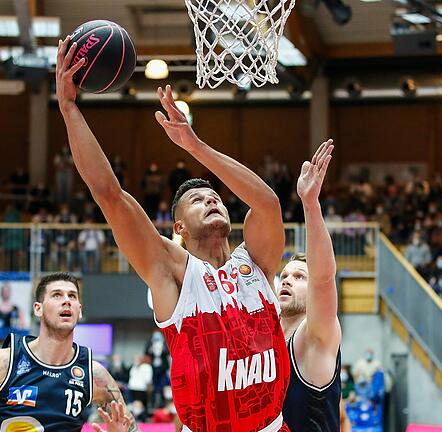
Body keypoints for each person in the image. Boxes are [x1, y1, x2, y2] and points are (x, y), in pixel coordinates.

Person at [56, 37, 289, 431]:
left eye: (215, 196)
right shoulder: (173, 271)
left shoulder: (257, 265)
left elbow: (267, 205)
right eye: (197, 200)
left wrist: (196, 147)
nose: (211, 201)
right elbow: (110, 196)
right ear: (178, 227)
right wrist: (69, 108)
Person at [0, 273, 136, 432]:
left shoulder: (94, 375)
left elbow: (130, 428)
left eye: (72, 296)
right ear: (38, 309)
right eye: (57, 295)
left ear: (80, 309)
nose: (67, 301)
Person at [277, 141, 343, 432]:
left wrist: (310, 203)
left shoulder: (315, 335)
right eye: (286, 275)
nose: (288, 279)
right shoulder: (265, 337)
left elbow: (323, 278)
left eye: (299, 276)